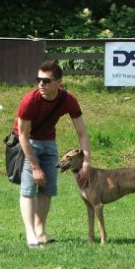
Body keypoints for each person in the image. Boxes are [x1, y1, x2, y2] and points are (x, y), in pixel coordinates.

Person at [14, 60, 91, 247]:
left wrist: (86, 162)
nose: (41, 84)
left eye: (47, 81)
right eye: (39, 80)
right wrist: (35, 167)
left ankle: (40, 232)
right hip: (28, 143)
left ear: (59, 82)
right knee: (28, 189)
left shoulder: (68, 100)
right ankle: (30, 235)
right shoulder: (29, 101)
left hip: (49, 143)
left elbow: (82, 133)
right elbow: (23, 135)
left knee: (47, 188)